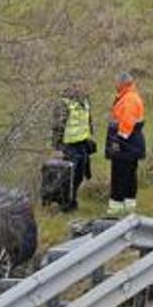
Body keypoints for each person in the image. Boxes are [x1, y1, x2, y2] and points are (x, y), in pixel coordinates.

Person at [106, 72, 146, 215]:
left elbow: (127, 124)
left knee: (119, 176)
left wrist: (118, 141)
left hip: (125, 145)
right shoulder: (131, 96)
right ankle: (129, 207)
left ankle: (115, 210)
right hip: (133, 145)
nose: (114, 85)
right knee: (129, 176)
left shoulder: (128, 99)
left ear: (123, 84)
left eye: (116, 82)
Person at [51, 82, 94, 212]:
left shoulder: (85, 101)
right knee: (68, 176)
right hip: (69, 145)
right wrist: (58, 147)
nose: (81, 88)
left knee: (80, 175)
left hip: (83, 144)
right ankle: (65, 205)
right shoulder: (63, 104)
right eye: (77, 86)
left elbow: (89, 120)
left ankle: (72, 200)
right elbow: (57, 127)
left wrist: (90, 136)